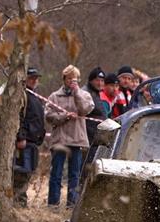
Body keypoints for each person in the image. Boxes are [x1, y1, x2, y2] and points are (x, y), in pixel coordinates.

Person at [45, 65, 94, 208]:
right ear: (64, 79)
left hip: (77, 139)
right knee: (56, 173)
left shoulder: (84, 95)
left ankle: (72, 204)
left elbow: (85, 110)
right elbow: (48, 116)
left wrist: (77, 92)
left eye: (75, 79)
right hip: (59, 139)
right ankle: (53, 203)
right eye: (69, 79)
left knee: (75, 174)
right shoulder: (54, 96)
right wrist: (64, 116)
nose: (72, 82)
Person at [13, 67, 45, 207]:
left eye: (36, 78)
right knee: (21, 172)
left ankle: (20, 200)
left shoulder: (35, 96)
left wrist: (40, 136)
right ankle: (19, 202)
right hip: (24, 142)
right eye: (31, 78)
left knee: (29, 172)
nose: (34, 80)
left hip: (33, 142)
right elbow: (18, 117)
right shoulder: (22, 95)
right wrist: (20, 137)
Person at [82, 67, 107, 145]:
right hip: (87, 137)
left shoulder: (96, 93)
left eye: (102, 81)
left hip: (96, 135)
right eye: (97, 80)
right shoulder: (84, 93)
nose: (100, 83)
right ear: (91, 80)